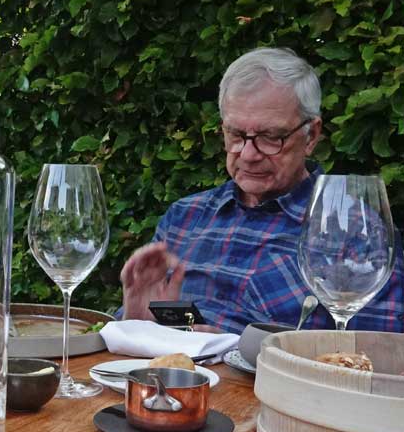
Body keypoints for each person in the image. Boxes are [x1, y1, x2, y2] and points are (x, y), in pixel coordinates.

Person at [120, 47, 404, 334]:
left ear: (311, 136)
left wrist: (236, 348)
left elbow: (375, 351)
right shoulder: (185, 217)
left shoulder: (356, 232)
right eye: (235, 134)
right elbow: (168, 332)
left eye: (270, 137)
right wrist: (137, 322)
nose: (248, 154)